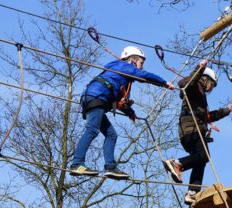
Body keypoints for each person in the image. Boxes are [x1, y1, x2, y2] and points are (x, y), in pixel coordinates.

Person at [70, 46, 175, 180]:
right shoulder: (123, 66)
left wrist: (130, 112)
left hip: (96, 98)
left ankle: (110, 167)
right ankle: (77, 163)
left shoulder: (123, 76)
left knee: (111, 134)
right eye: (141, 63)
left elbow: (120, 102)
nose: (141, 67)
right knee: (92, 130)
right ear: (133, 59)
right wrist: (164, 83)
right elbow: (144, 76)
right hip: (96, 97)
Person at [164, 60, 232, 204]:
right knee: (204, 156)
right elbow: (187, 83)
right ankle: (177, 164)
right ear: (206, 79)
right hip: (191, 130)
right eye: (212, 85)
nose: (212, 89)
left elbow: (207, 116)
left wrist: (225, 112)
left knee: (201, 160)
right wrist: (200, 68)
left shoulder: (200, 97)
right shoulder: (195, 88)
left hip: (192, 131)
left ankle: (192, 192)